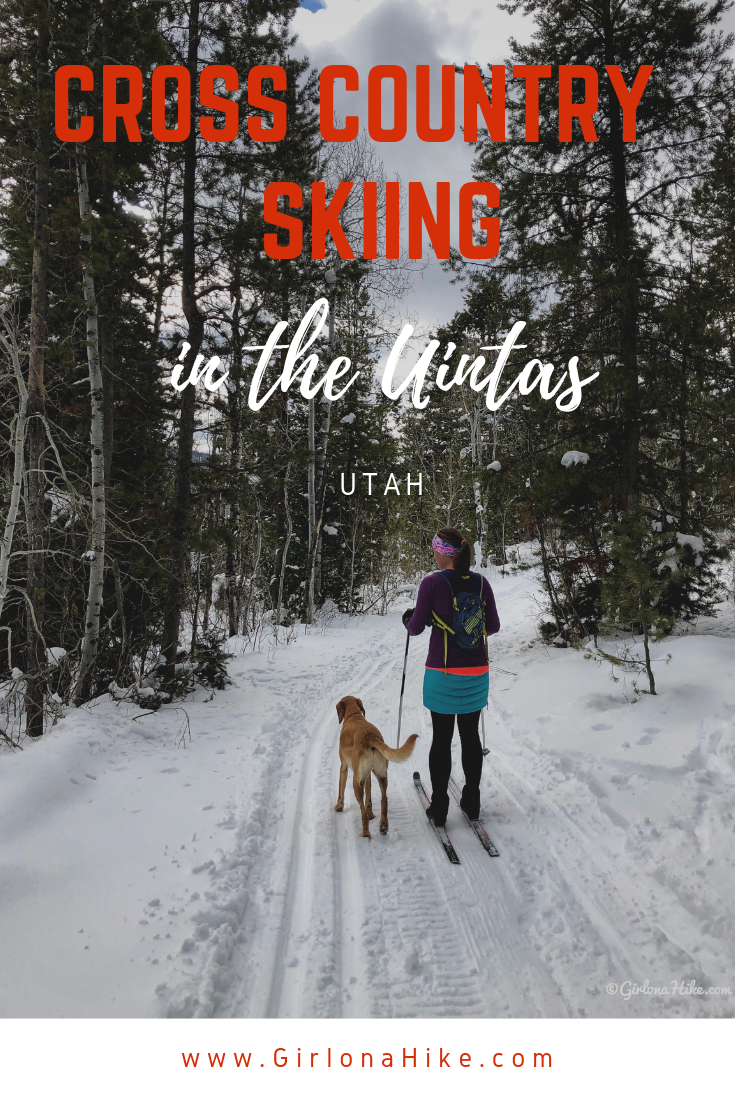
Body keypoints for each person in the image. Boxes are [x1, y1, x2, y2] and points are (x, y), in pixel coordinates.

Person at [402, 528, 500, 826]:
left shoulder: (432, 583)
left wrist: (410, 618)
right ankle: (472, 802)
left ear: (444, 552)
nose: (433, 553)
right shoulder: (482, 583)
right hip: (476, 672)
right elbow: (492, 626)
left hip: (443, 672)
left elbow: (416, 627)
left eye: (435, 548)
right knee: (470, 736)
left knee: (442, 739)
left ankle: (440, 807)